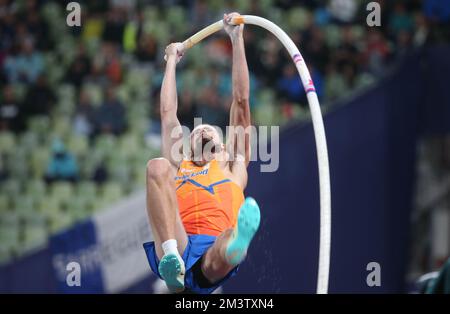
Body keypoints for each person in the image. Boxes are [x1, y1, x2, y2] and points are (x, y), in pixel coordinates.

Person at [143, 12, 261, 294]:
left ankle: (236, 248)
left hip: (211, 249)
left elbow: (241, 100)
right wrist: (171, 61)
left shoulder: (233, 166)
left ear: (223, 148)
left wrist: (237, 38)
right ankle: (171, 261)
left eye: (209, 132)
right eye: (196, 131)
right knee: (157, 168)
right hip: (178, 242)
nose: (202, 131)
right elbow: (168, 112)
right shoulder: (179, 162)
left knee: (224, 244)